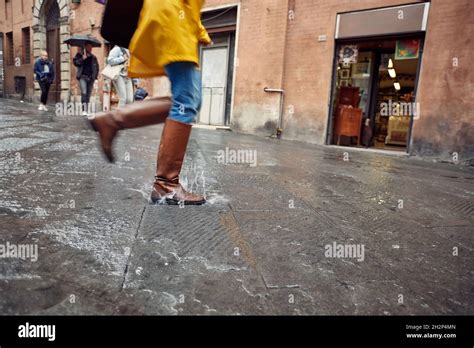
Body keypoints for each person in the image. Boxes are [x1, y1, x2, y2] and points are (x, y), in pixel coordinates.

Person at [90, 0, 212, 205]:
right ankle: (166, 184)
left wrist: (199, 32)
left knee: (190, 100)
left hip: (172, 17)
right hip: (171, 16)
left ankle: (113, 120)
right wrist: (199, 31)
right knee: (186, 100)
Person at [73, 43, 99, 116]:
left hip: (91, 78)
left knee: (88, 94)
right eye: (89, 47)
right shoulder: (79, 55)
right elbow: (75, 63)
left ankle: (86, 110)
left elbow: (97, 68)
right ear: (85, 47)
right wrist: (82, 59)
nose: (91, 48)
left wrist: (95, 78)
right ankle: (84, 110)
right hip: (82, 77)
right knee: (84, 93)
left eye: (91, 47)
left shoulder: (93, 57)